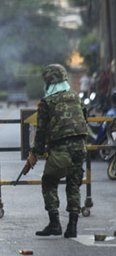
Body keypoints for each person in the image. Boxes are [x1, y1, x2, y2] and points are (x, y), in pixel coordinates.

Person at [25, 64, 88, 238]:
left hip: (61, 149)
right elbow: (85, 118)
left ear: (48, 81)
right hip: (80, 146)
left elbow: (42, 131)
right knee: (73, 185)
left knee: (48, 182)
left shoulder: (47, 102)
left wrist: (34, 153)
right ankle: (72, 227)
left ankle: (54, 224)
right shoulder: (75, 97)